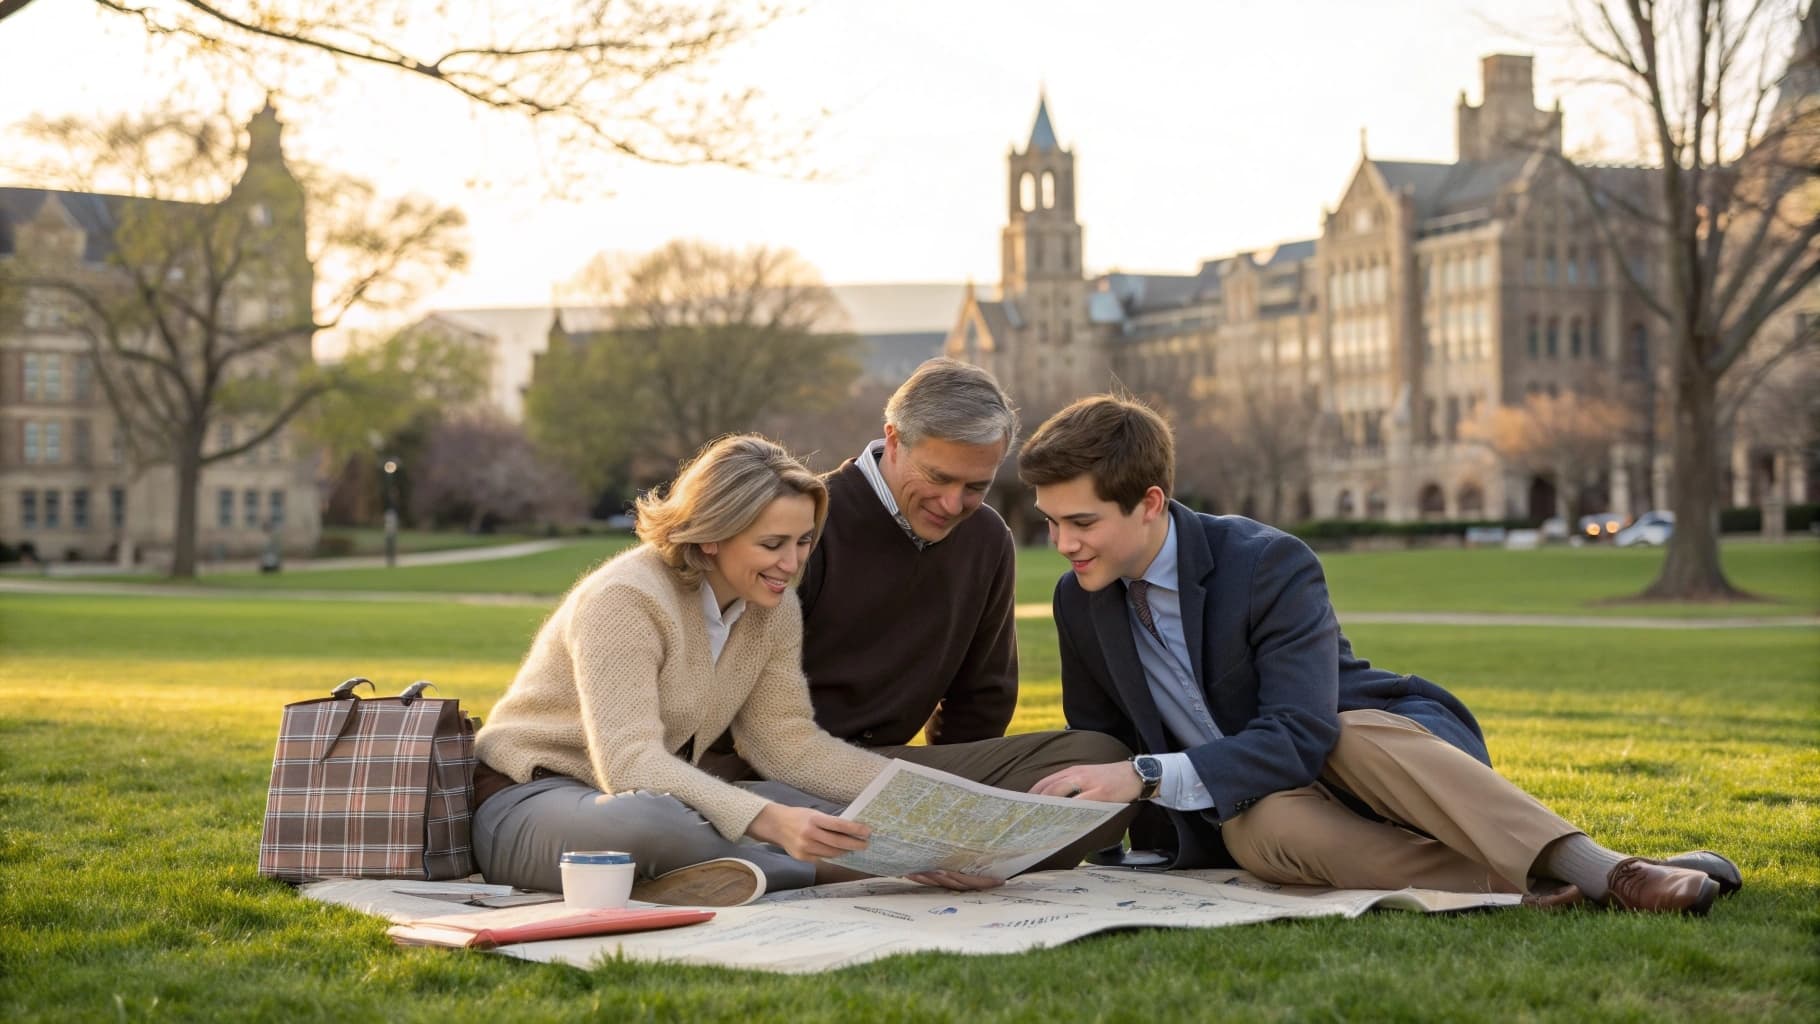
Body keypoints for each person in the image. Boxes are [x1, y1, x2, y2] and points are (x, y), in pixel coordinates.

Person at [1015, 394, 1742, 914]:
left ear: (1149, 502)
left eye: (1082, 522)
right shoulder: (1079, 600)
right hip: (1255, 803)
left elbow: (1300, 732)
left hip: (1378, 759)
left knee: (1345, 731)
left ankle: (1610, 872)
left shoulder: (1265, 563)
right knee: (1260, 827)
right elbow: (1101, 745)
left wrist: (1143, 774)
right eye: (1050, 524)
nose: (1064, 544)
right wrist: (1004, 848)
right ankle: (1536, 885)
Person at [471, 435, 992, 906]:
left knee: (815, 811)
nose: (791, 564)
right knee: (659, 821)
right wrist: (775, 823)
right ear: (711, 536)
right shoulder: (625, 598)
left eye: (803, 541)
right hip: (531, 804)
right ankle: (848, 864)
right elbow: (629, 764)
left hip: (659, 799)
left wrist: (926, 805)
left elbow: (786, 744)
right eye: (772, 545)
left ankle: (713, 878)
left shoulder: (772, 607)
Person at [702, 359, 1135, 870]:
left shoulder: (987, 540)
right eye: (939, 477)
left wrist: (963, 800)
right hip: (763, 774)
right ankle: (860, 851)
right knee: (736, 809)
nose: (954, 504)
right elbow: (724, 708)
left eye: (976, 487)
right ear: (894, 439)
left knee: (1100, 765)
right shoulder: (802, 522)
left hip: (893, 777)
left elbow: (980, 700)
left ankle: (876, 855)